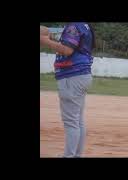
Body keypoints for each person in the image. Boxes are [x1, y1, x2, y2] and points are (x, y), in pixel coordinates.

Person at [40, 22, 95, 157]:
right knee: (77, 120)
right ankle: (75, 154)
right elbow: (71, 46)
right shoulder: (83, 25)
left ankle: (69, 155)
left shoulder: (73, 26)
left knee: (71, 121)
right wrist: (51, 38)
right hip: (80, 75)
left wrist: (45, 41)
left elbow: (67, 50)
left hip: (72, 76)